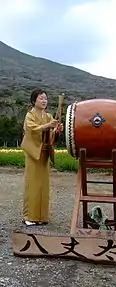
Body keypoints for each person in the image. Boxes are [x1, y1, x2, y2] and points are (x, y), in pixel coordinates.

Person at [21, 89, 63, 226]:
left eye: (45, 98)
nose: (44, 100)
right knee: (32, 185)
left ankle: (42, 217)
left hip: (44, 153)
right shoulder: (30, 115)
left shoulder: (48, 116)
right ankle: (29, 216)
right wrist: (48, 126)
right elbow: (32, 130)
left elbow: (51, 135)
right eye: (41, 98)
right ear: (34, 101)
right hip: (34, 153)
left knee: (43, 186)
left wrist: (56, 131)